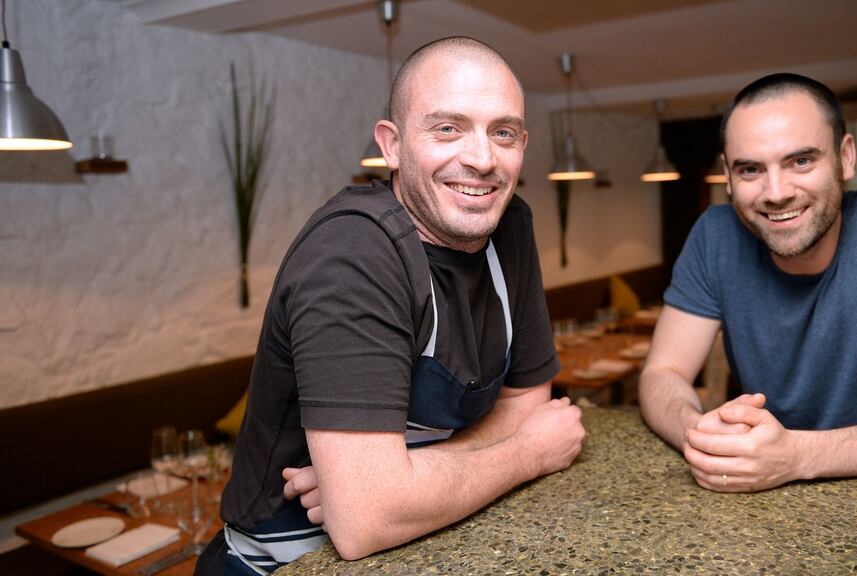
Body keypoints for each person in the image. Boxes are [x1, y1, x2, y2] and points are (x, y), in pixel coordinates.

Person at [196, 37, 585, 575]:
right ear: (393, 145)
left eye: (503, 132)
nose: (481, 159)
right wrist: (528, 454)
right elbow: (365, 524)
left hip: (431, 544)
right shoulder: (352, 254)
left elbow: (528, 401)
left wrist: (404, 477)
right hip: (285, 563)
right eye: (447, 128)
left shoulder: (508, 224)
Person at [639, 73, 857, 494]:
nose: (777, 192)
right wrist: (701, 435)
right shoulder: (715, 235)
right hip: (764, 506)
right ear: (727, 175)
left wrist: (797, 455)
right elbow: (663, 373)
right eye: (751, 169)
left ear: (846, 157)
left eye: (801, 161)